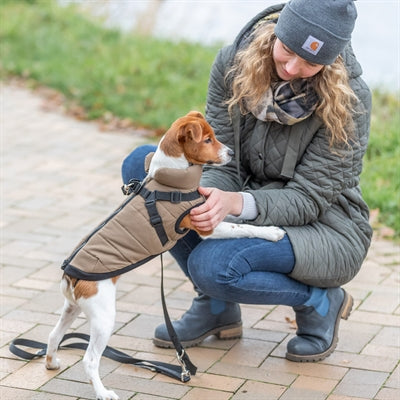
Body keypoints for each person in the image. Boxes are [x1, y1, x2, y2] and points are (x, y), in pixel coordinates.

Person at [121, 0, 372, 362]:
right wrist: (212, 193)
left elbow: (309, 197)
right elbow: (223, 160)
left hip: (324, 224)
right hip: (246, 194)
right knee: (142, 168)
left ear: (330, 61)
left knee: (213, 266)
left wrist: (235, 204)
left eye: (311, 63)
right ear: (278, 32)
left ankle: (320, 301)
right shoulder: (233, 63)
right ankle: (217, 309)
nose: (292, 69)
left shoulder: (351, 98)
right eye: (287, 51)